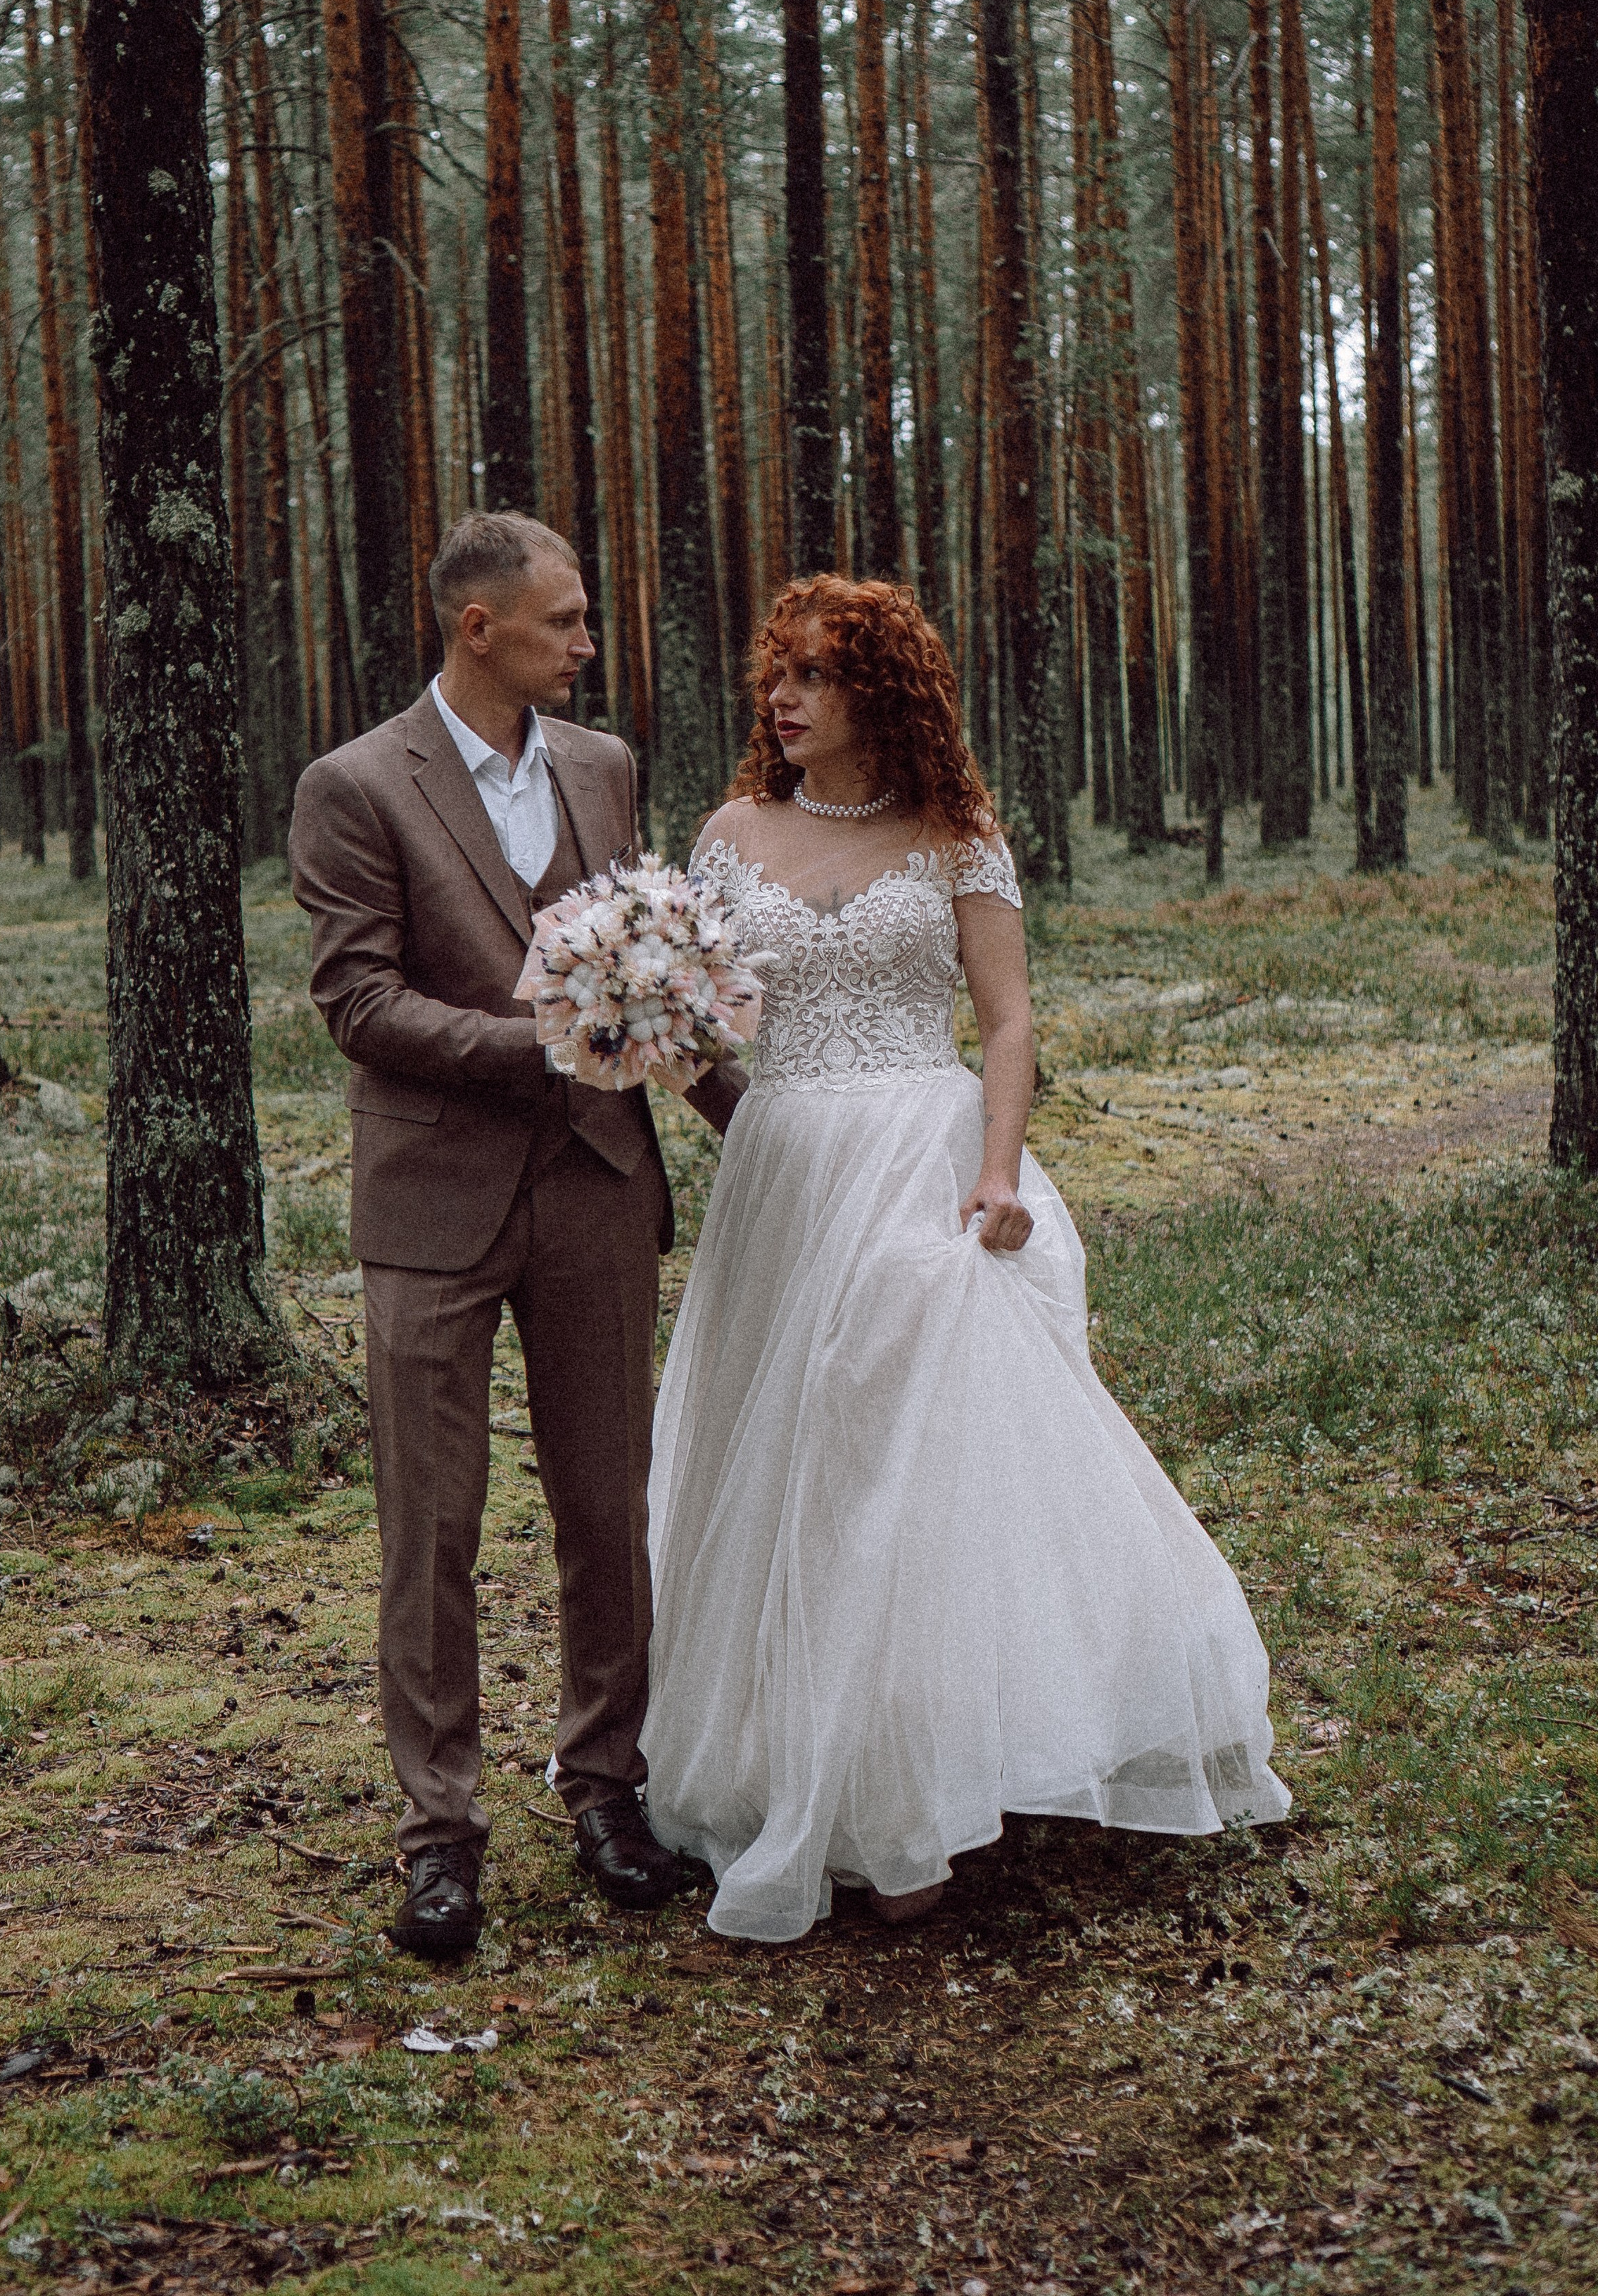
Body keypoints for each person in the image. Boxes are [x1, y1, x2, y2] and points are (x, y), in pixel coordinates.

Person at [641, 575, 1289, 1943]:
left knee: (896, 1463)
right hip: (782, 1180)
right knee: (785, 1465)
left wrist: (996, 1174)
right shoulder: (725, 836)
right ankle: (799, 1775)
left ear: (880, 693)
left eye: (815, 674)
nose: (784, 695)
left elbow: (1004, 1024)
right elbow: (683, 1028)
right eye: (779, 670)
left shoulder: (954, 838)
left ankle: (908, 1799)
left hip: (928, 1171)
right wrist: (745, 1123)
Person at [288, 512, 744, 1960]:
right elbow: (357, 1001)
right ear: (475, 628)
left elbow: (654, 972)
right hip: (433, 1202)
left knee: (609, 1512)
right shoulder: (354, 785)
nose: (586, 644)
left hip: (599, 1184)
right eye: (565, 622)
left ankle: (606, 1790)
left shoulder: (602, 769)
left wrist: (758, 1114)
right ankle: (440, 1837)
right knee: (431, 1532)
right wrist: (539, 1043)